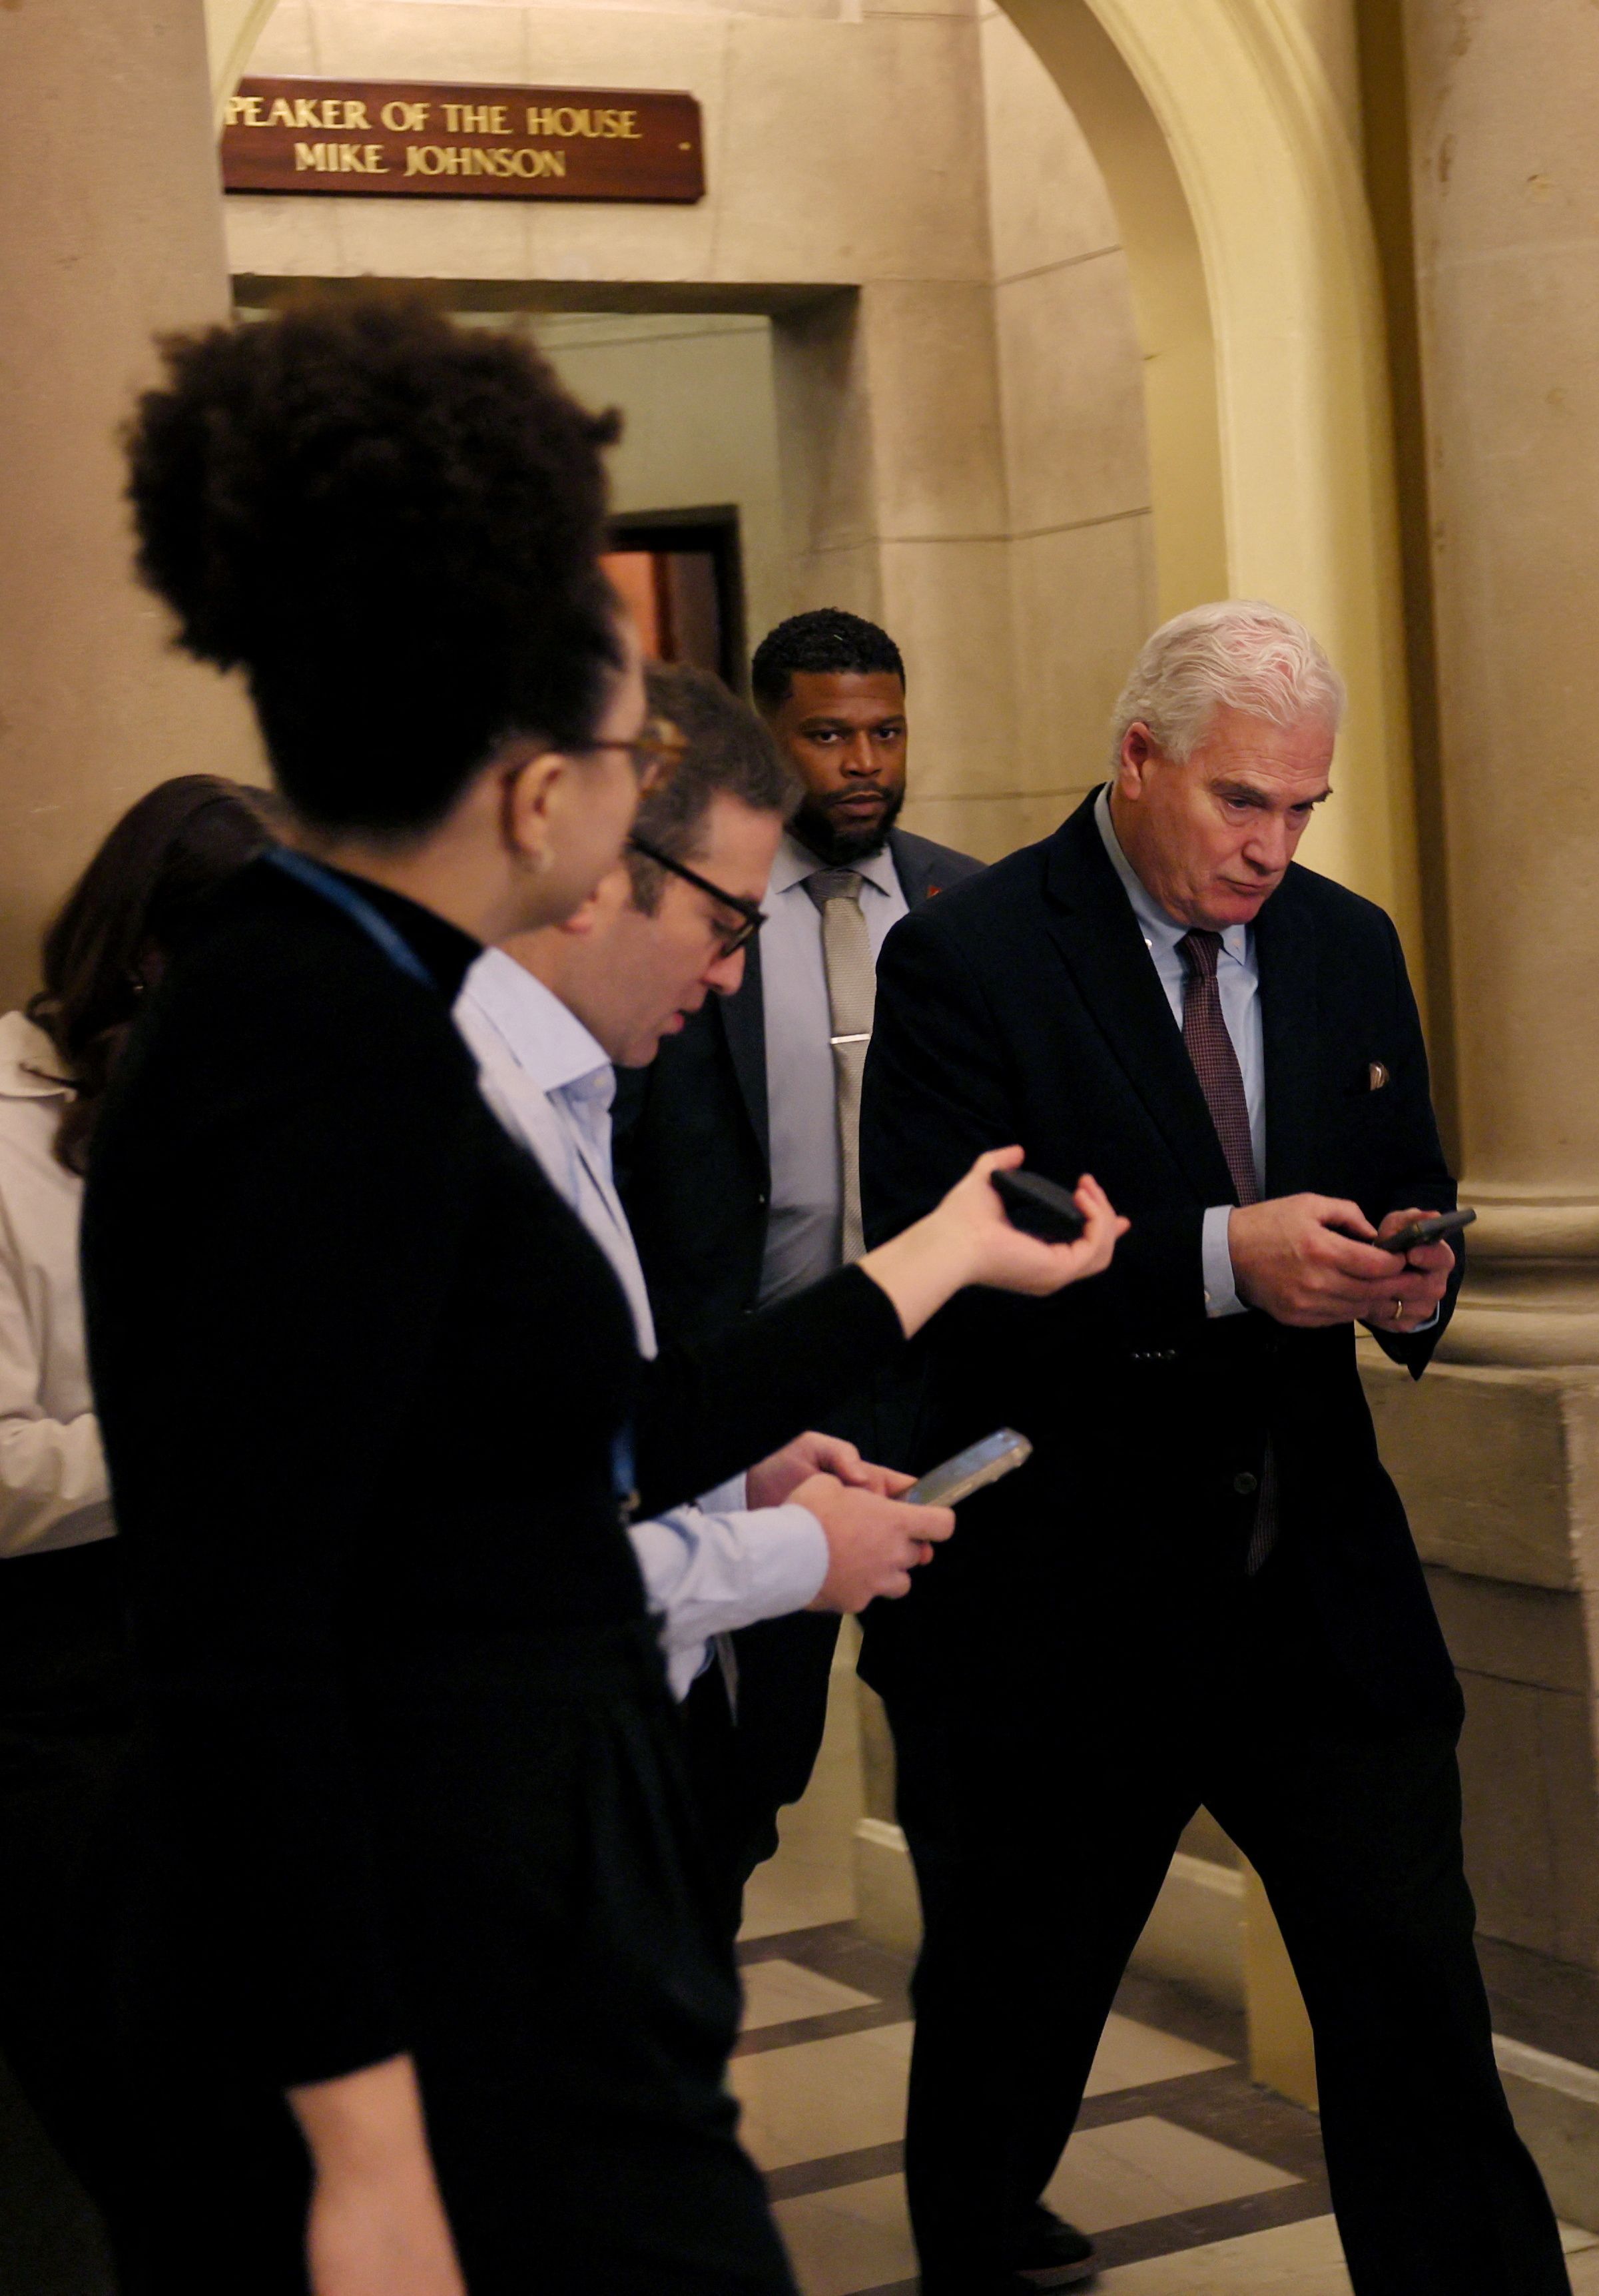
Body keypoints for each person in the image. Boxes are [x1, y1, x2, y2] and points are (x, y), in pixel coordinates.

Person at [83, 290, 1117, 2295]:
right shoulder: (312, 1046)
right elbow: (253, 1638)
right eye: (628, 750)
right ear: (538, 786)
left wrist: (792, 1412)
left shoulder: (353, 1000)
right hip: (441, 1992)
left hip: (518, 1933)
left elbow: (520, 1452)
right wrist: (367, 2156)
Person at [858, 599, 1568, 2296]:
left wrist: (1413, 1280)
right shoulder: (972, 957)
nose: (1272, 845)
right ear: (1137, 758)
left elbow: (1401, 1188)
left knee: (1414, 2001)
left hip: (1310, 1575)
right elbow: (945, 1280)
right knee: (1012, 2015)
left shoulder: (1343, 944)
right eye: (1242, 800)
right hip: (1065, 1594)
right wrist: (1217, 1258)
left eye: (1303, 805)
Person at [460, 663, 1062, 1845]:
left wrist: (741, 1475)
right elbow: (489, 1551)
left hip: (603, 1731)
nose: (735, 969)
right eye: (724, 922)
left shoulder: (570, 1077)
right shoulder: (454, 1110)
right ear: (597, 876)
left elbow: (584, 1427)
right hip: (493, 1778)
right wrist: (790, 1551)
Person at [614, 605, 982, 1948]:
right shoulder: (690, 916)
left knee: (974, 1752)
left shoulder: (967, 907)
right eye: (828, 735)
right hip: (756, 1396)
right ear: (768, 742)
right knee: (749, 1762)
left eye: (886, 731)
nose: (864, 761)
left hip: (933, 1387)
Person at [0, 775, 272, 2267]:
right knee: (142, 2145)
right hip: (62, 1691)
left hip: (237, 1670)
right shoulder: (3, 1133)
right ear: (156, 958)